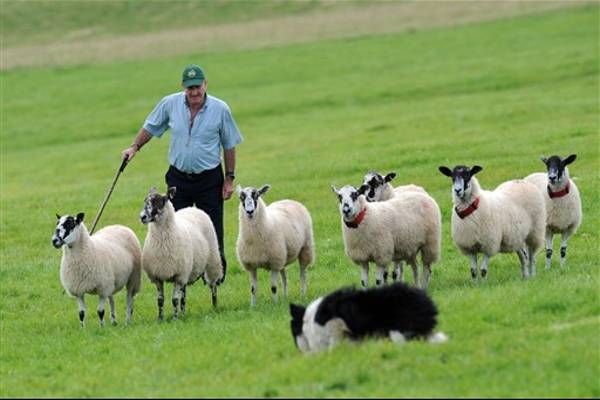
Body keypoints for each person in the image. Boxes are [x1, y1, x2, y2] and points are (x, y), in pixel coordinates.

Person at [122, 64, 243, 284]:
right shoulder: (170, 104)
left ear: (205, 84)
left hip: (209, 179)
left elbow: (229, 144)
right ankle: (183, 274)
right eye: (189, 88)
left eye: (197, 87)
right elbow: (151, 127)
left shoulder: (220, 109)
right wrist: (134, 148)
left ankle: (216, 276)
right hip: (178, 179)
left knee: (212, 230)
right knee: (175, 229)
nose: (194, 92)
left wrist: (229, 178)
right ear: (183, 87)